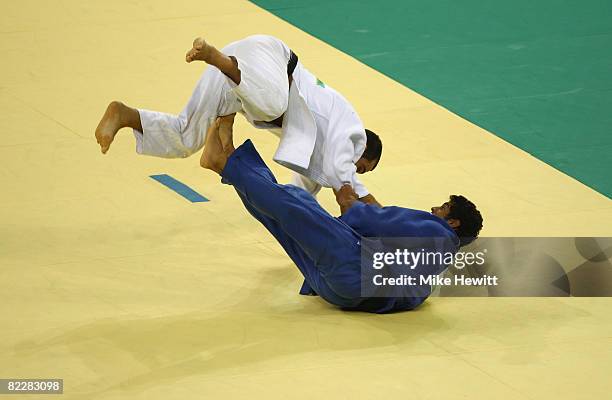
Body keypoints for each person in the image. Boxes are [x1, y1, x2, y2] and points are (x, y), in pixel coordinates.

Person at [200, 118, 483, 313]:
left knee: (294, 205)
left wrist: (352, 207)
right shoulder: (428, 276)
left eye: (442, 208)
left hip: (353, 269)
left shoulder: (439, 234)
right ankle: (227, 161)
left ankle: (225, 162)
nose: (434, 210)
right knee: (281, 217)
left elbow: (377, 221)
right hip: (338, 293)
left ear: (453, 222)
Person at [94, 34, 382, 210]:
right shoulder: (347, 133)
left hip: (242, 80)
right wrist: (409, 236)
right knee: (274, 105)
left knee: (185, 136)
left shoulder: (317, 154)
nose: (356, 170)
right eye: (362, 166)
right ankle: (217, 59)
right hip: (269, 58)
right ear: (361, 149)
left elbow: (302, 196)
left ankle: (124, 115)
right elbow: (351, 191)